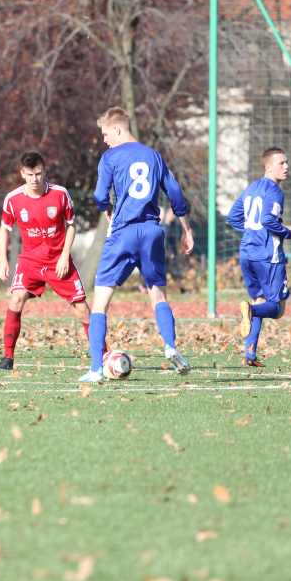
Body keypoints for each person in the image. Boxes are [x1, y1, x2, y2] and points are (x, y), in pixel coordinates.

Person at [80, 107, 194, 384]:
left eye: (106, 134)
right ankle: (170, 346)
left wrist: (106, 206)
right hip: (153, 231)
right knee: (158, 294)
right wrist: (186, 229)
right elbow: (175, 193)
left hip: (124, 232)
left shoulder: (110, 157)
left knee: (100, 302)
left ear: (118, 129)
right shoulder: (153, 156)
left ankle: (96, 368)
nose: (104, 140)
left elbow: (98, 194)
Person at [0, 152, 91, 371]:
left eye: (38, 174)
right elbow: (4, 229)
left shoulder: (60, 194)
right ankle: (8, 357)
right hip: (30, 261)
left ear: (44, 171)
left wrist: (65, 255)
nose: (34, 179)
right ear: (22, 174)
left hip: (58, 260)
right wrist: (2, 259)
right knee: (16, 298)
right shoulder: (13, 198)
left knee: (81, 308)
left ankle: (103, 355)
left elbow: (71, 225)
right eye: (30, 175)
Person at [226, 147, 291, 367]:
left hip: (247, 253)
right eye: (281, 163)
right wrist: (289, 232)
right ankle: (250, 311)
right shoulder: (275, 191)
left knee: (258, 300)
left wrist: (251, 231)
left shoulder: (251, 188)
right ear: (268, 166)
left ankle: (250, 354)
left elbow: (232, 218)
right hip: (268, 256)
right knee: (276, 309)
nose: (286, 167)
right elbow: (268, 221)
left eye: (287, 162)